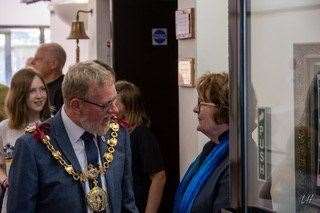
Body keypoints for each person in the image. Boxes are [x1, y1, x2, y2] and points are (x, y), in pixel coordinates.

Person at [7, 61, 138, 213]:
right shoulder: (33, 146)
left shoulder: (118, 135)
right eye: (105, 105)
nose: (115, 111)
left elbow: (127, 203)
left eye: (114, 101)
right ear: (76, 105)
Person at [173, 73, 230, 213]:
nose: (195, 109)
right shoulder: (211, 149)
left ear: (222, 109)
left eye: (201, 102)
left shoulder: (235, 161)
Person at [0, 68, 51, 212]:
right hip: (14, 202)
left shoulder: (54, 125)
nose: (40, 95)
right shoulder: (4, 128)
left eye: (42, 89)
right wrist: (5, 180)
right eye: (32, 91)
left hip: (47, 201)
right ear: (19, 95)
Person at [115, 80, 166, 213]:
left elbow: (159, 177)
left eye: (116, 103)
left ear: (129, 106)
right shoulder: (112, 130)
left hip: (137, 205)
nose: (111, 107)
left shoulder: (142, 135)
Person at [30, 43, 66, 115]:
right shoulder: (35, 86)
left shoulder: (65, 90)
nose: (32, 62)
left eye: (37, 59)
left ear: (53, 64)